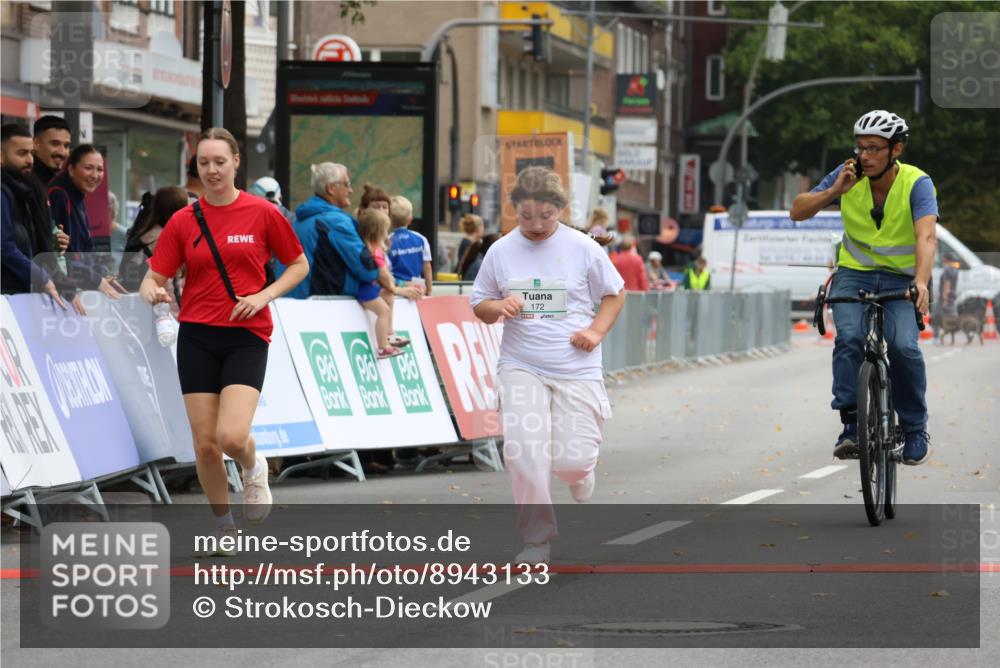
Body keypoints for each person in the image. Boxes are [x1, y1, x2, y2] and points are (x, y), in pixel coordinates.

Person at [139, 127, 308, 549]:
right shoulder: (183, 220)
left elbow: (298, 264)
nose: (211, 170)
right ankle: (223, 528)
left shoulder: (263, 213)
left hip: (246, 335)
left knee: (232, 437)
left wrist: (264, 295)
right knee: (206, 444)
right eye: (203, 163)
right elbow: (154, 276)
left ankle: (254, 467)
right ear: (195, 167)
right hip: (196, 334)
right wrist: (151, 290)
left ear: (236, 162)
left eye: (219, 161)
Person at [470, 166, 625, 565]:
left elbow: (614, 295)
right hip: (521, 364)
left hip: (576, 366)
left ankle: (581, 473)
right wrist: (498, 307)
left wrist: (595, 332)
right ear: (514, 211)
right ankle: (536, 541)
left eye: (546, 216)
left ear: (560, 209)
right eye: (526, 217)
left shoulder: (584, 248)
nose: (536, 225)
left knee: (571, 463)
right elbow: (480, 305)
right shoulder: (502, 251)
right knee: (523, 450)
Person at [791, 109, 936, 466]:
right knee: (849, 339)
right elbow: (797, 211)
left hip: (901, 278)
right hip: (854, 274)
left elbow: (926, 235)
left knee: (903, 347)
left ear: (896, 150)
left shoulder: (917, 183)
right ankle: (851, 424)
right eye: (861, 147)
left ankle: (914, 428)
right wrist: (835, 191)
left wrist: (920, 280)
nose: (865, 156)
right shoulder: (846, 175)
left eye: (874, 148)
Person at [48, 144, 126, 304]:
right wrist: (95, 279)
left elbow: (84, 251)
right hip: (62, 293)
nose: (95, 175)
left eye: (100, 169)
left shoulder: (79, 196)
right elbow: (60, 256)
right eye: (89, 168)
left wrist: (102, 274)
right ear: (71, 169)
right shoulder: (59, 195)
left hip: (76, 288)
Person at [1, 124, 67, 306]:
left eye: (31, 153)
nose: (30, 160)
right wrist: (42, 277)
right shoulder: (4, 192)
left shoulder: (18, 191)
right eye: (22, 153)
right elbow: (4, 247)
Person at [356, 208, 412, 359]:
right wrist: (395, 287)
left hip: (371, 287)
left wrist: (392, 288)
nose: (388, 232)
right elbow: (383, 274)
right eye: (385, 229)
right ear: (378, 231)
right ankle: (382, 347)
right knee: (383, 311)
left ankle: (389, 333)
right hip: (366, 289)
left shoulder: (373, 248)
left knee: (388, 296)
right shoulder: (374, 250)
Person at [118, 186, 189, 293]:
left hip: (133, 296)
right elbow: (173, 278)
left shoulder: (144, 233)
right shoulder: (163, 238)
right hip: (153, 299)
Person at [388, 195, 433, 296]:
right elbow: (427, 267)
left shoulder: (387, 241)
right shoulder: (421, 239)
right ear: (410, 220)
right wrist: (429, 290)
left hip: (397, 291)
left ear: (389, 219)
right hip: (417, 290)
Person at [31, 115, 71, 186]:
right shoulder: (26, 183)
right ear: (36, 144)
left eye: (66, 146)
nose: (62, 152)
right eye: (55, 144)